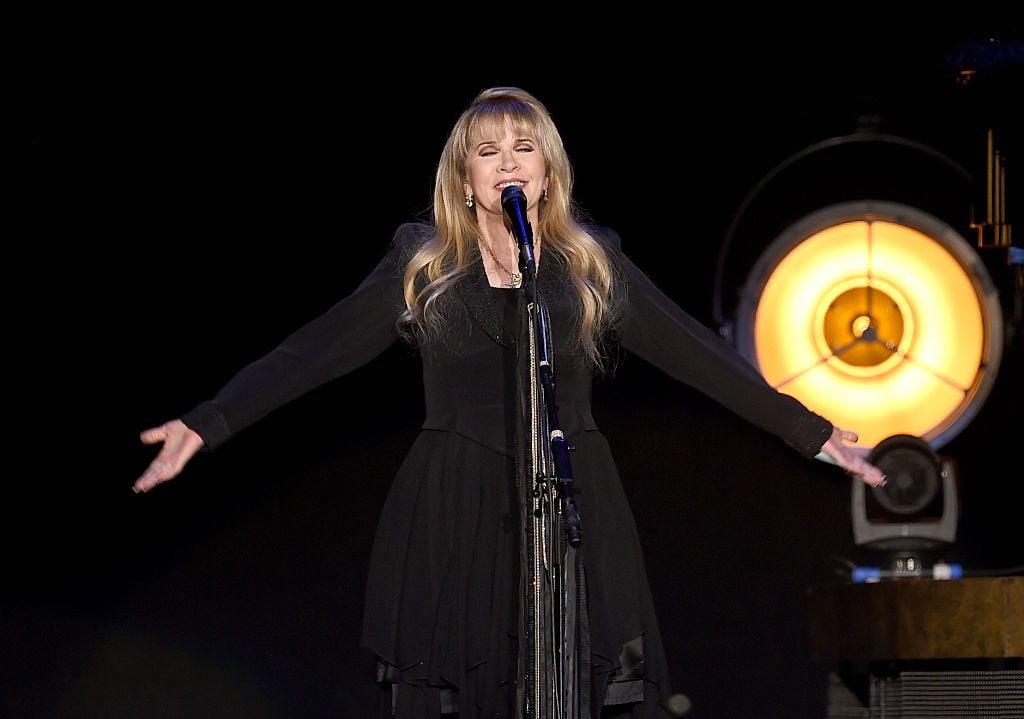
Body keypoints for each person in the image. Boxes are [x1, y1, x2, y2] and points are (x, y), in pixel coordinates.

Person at [132, 86, 886, 718]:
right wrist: (211, 420)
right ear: (464, 179)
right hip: (454, 504)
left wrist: (809, 430)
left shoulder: (590, 262)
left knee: (573, 687)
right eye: (487, 153)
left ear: (548, 172)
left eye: (522, 148)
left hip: (570, 495)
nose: (506, 164)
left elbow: (698, 352)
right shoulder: (422, 262)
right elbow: (314, 349)